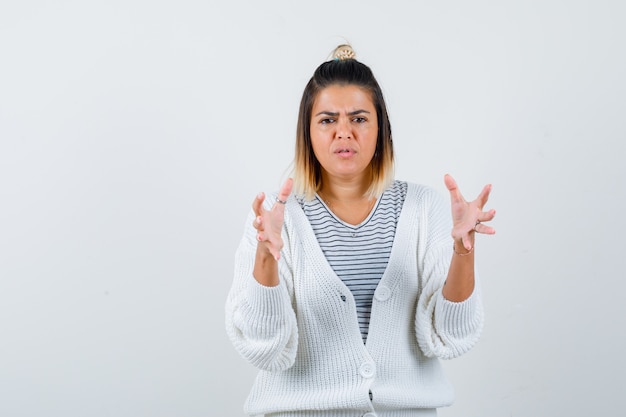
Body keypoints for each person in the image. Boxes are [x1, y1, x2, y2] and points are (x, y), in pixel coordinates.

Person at [225, 44, 496, 417]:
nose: (344, 133)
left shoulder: (424, 208)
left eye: (358, 118)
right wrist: (265, 256)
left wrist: (463, 251)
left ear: (380, 127)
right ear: (308, 132)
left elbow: (450, 336)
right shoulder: (275, 215)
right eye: (327, 120)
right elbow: (263, 347)